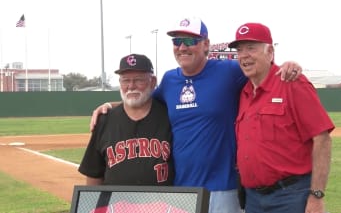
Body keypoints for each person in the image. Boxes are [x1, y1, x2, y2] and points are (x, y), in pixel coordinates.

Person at [89, 17, 302, 213]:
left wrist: (285, 65)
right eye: (177, 41)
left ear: (206, 45)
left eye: (190, 41)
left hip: (223, 188)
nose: (182, 47)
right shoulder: (170, 79)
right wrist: (109, 105)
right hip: (181, 188)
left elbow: (259, 67)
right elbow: (142, 97)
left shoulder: (228, 71)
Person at [229, 22, 334, 213]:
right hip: (253, 199)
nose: (244, 55)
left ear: (270, 52)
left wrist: (316, 195)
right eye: (240, 50)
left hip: (291, 196)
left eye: (251, 48)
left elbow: (322, 138)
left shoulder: (292, 83)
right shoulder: (244, 92)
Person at [79, 53, 174, 186]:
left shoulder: (170, 117)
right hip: (115, 204)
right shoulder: (104, 121)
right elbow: (94, 173)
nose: (131, 86)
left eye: (138, 80)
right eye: (125, 80)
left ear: (152, 82)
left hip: (161, 204)